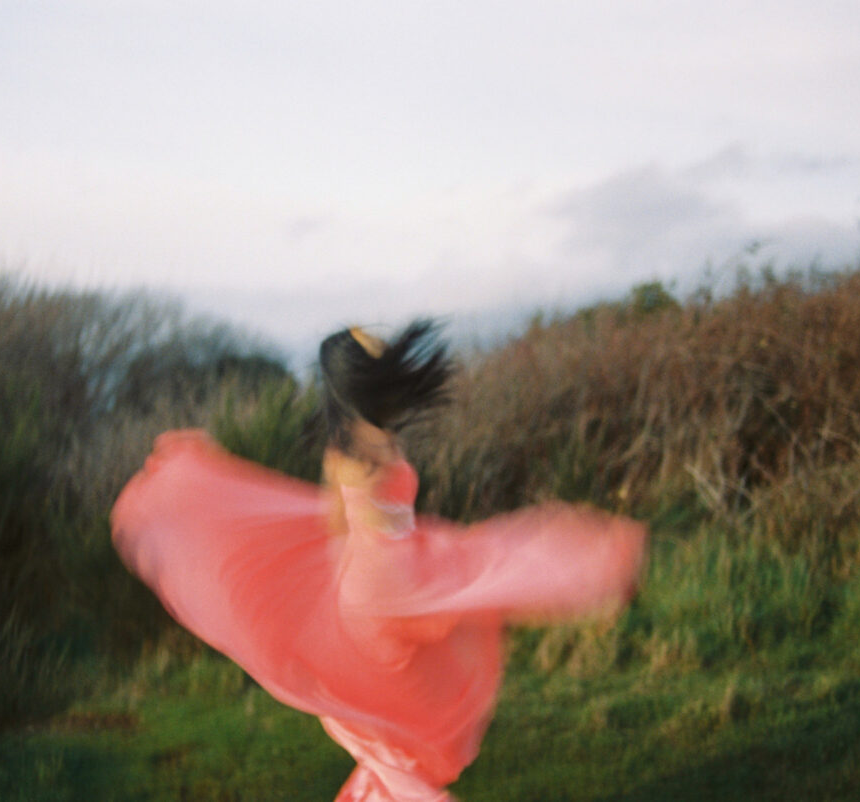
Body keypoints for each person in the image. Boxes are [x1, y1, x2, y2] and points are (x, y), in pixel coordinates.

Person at [111, 320, 647, 802]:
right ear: (363, 382)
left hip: (376, 582)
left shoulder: (347, 448)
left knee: (473, 588)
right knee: (485, 575)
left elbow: (330, 524)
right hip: (388, 583)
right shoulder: (366, 451)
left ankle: (591, 577)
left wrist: (343, 569)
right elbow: (357, 523)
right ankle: (597, 572)